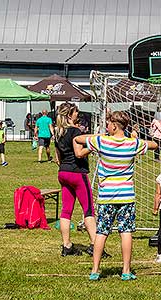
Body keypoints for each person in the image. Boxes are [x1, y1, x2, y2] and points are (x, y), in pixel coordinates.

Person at [74, 111, 158, 281]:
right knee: (126, 231)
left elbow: (79, 139)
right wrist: (135, 138)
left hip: (106, 196)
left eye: (108, 123)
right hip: (127, 195)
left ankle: (95, 270)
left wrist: (101, 135)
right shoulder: (132, 144)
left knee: (101, 232)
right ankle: (126, 270)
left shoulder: (102, 141)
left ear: (113, 126)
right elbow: (154, 144)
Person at [54, 103, 106, 257]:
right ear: (70, 115)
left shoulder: (57, 132)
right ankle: (95, 246)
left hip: (63, 172)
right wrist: (93, 147)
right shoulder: (75, 131)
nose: (78, 114)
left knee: (66, 210)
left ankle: (67, 245)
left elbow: (58, 157)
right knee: (88, 209)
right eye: (76, 111)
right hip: (77, 173)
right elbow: (78, 153)